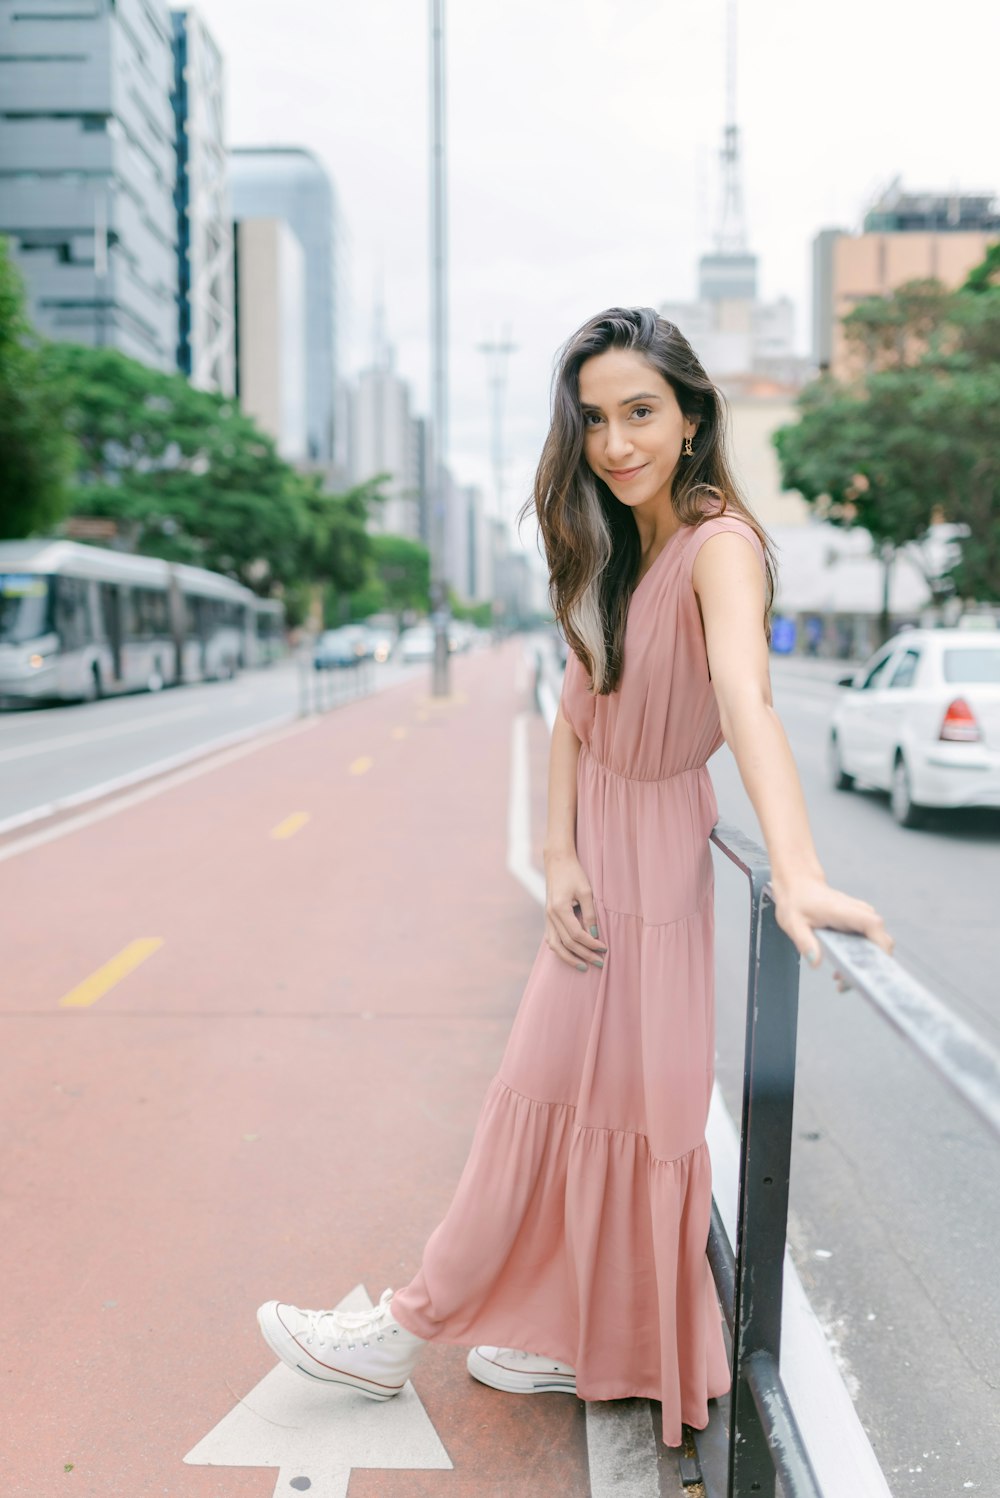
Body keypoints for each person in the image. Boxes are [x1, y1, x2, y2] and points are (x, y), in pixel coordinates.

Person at [256, 308, 893, 1446]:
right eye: (594, 418)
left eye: (640, 412)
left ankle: (406, 1327)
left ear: (692, 418)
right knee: (566, 1101)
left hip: (653, 857)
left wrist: (795, 873)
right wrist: (555, 856)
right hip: (601, 851)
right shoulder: (618, 545)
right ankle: (582, 1334)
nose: (613, 441)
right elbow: (572, 714)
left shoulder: (720, 546)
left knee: (573, 1102)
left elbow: (746, 701)